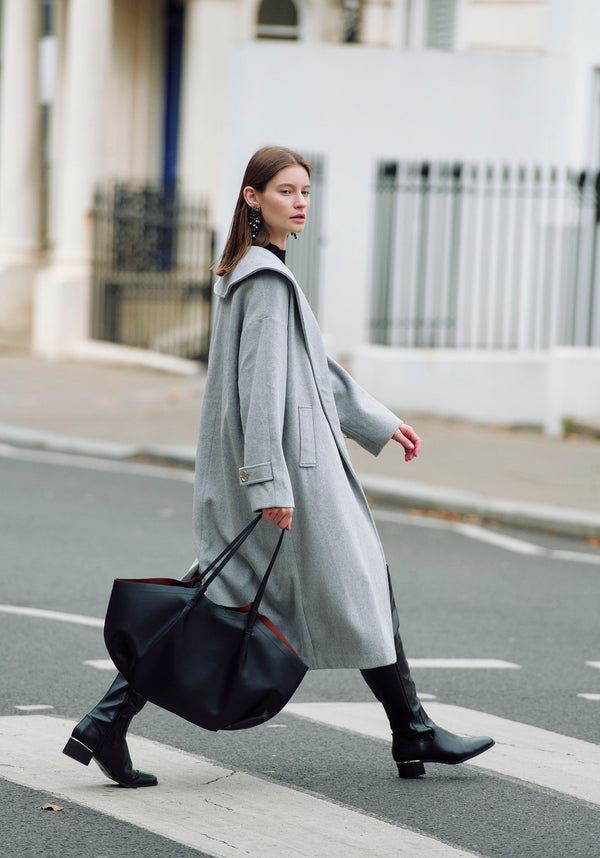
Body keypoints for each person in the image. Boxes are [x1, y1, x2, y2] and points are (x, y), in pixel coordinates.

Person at [63, 145, 493, 787]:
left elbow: (311, 369)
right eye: (286, 191)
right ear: (252, 198)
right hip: (291, 477)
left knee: (287, 591)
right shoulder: (264, 279)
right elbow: (260, 390)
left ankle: (104, 725)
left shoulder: (260, 271)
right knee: (325, 587)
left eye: (306, 191)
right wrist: (269, 485)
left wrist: (377, 421)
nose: (299, 202)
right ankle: (414, 731)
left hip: (292, 472)